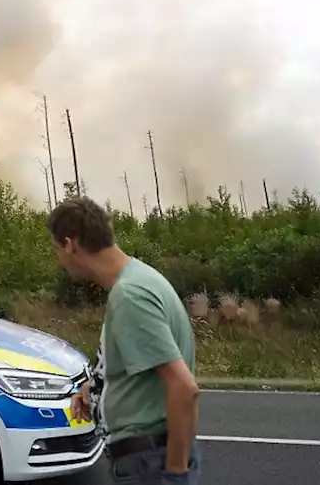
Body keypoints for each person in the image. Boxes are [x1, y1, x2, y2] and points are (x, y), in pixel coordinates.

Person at [48, 197, 201, 485]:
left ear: (70, 244)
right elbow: (142, 367)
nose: (59, 258)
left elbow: (184, 387)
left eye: (57, 248)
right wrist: (94, 388)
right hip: (148, 458)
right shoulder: (139, 279)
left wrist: (175, 474)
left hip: (149, 464)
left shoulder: (130, 295)